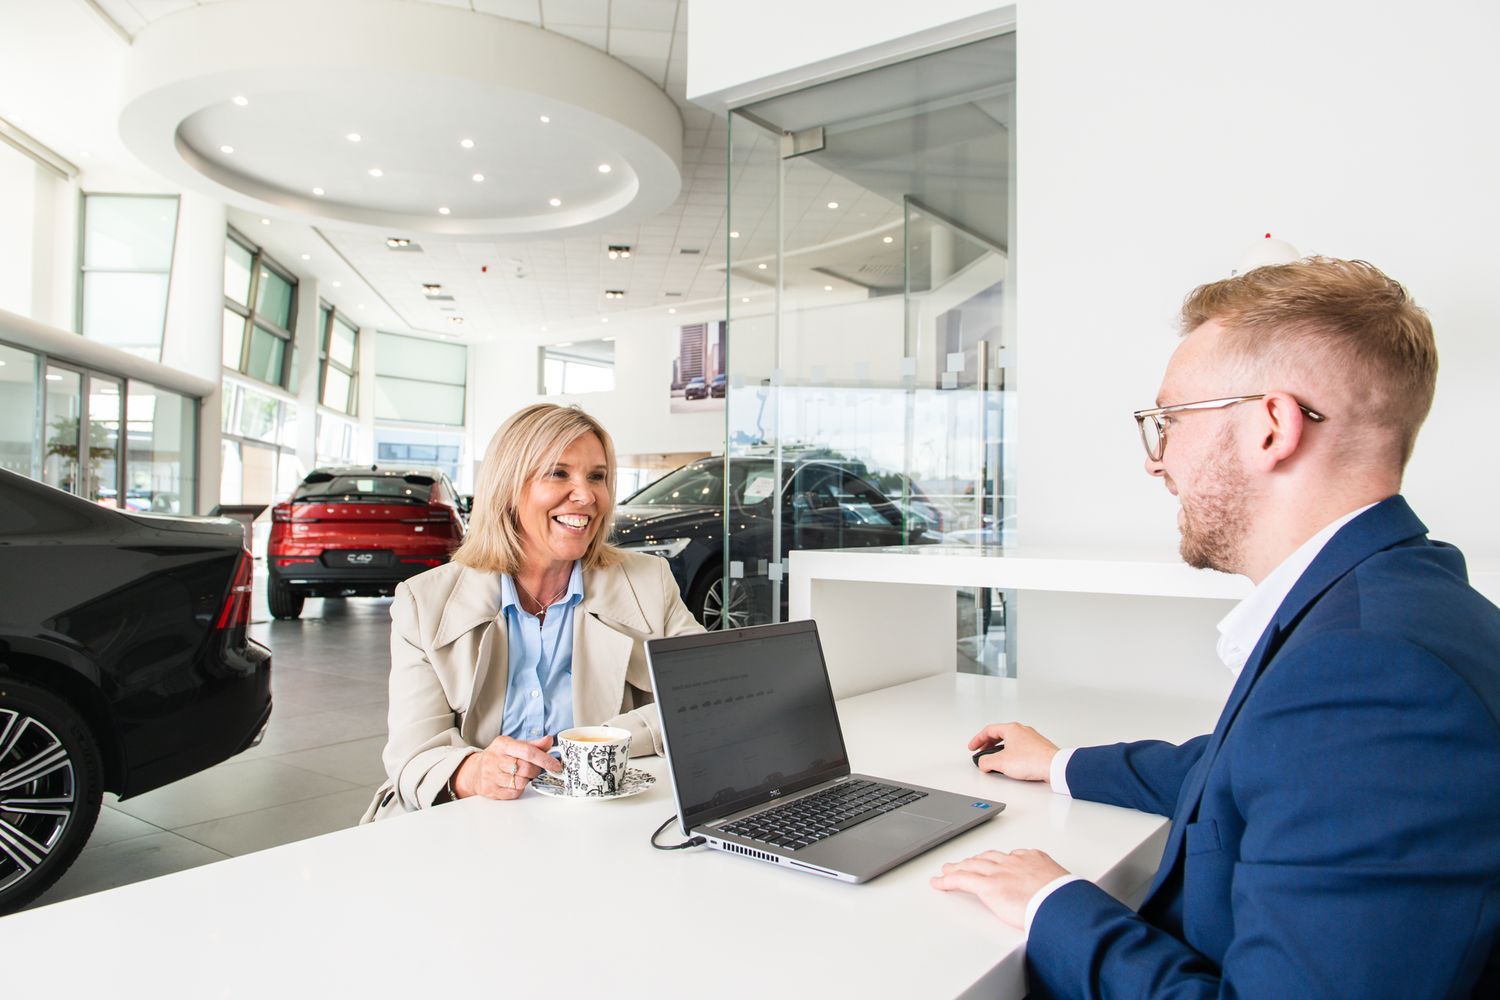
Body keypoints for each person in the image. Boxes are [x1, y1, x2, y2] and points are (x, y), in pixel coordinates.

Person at [931, 258, 1500, 997]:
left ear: (1272, 428)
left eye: (1168, 422)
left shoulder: (1371, 674)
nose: (1157, 462)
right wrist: (1064, 763)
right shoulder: (1392, 602)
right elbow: (1260, 772)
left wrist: (1054, 905)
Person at [363, 403, 703, 820]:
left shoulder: (648, 580)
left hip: (599, 820)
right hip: (469, 822)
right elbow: (413, 758)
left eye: (597, 477)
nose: (587, 495)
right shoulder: (424, 602)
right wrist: (474, 771)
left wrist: (603, 741)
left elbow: (707, 691)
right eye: (559, 473)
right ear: (508, 487)